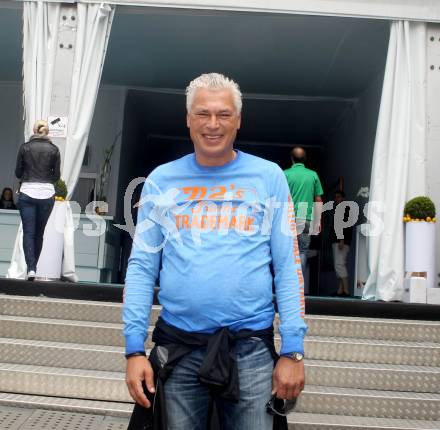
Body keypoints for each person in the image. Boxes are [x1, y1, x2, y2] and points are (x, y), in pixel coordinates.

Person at [123, 73, 307, 430]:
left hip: (252, 352)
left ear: (238, 121)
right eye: (203, 113)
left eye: (223, 114)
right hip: (179, 348)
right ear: (188, 119)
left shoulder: (268, 177)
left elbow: (287, 267)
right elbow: (143, 267)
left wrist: (293, 350)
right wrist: (133, 349)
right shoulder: (161, 180)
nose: (212, 124)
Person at [15, 120, 60, 281]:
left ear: (34, 131)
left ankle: (31, 268)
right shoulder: (54, 149)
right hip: (47, 194)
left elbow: (18, 173)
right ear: (47, 132)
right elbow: (56, 177)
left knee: (28, 232)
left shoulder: (25, 147)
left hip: (27, 192)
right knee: (39, 233)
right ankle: (34, 266)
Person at [284, 147, 323, 277]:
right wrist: (318, 221)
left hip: (289, 219)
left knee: (287, 251)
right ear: (305, 159)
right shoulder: (312, 175)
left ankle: (288, 283)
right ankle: (299, 282)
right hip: (306, 219)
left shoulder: (285, 174)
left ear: (291, 158)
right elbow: (318, 199)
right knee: (303, 251)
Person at [330, 190, 352, 297]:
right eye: (335, 197)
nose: (336, 199)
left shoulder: (345, 209)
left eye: (338, 197)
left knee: (339, 265)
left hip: (341, 241)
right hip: (338, 240)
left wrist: (342, 239)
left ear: (343, 198)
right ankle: (340, 290)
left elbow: (345, 226)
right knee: (339, 264)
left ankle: (346, 290)